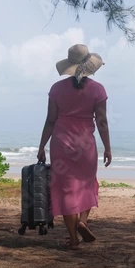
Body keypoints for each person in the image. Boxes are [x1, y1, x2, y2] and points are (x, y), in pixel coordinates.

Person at [37, 44, 112, 250]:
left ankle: (73, 238)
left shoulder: (56, 89)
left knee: (66, 189)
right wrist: (107, 147)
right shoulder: (98, 89)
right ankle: (82, 221)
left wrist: (42, 146)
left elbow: (50, 120)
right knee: (87, 183)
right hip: (86, 145)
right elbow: (102, 122)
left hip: (61, 144)